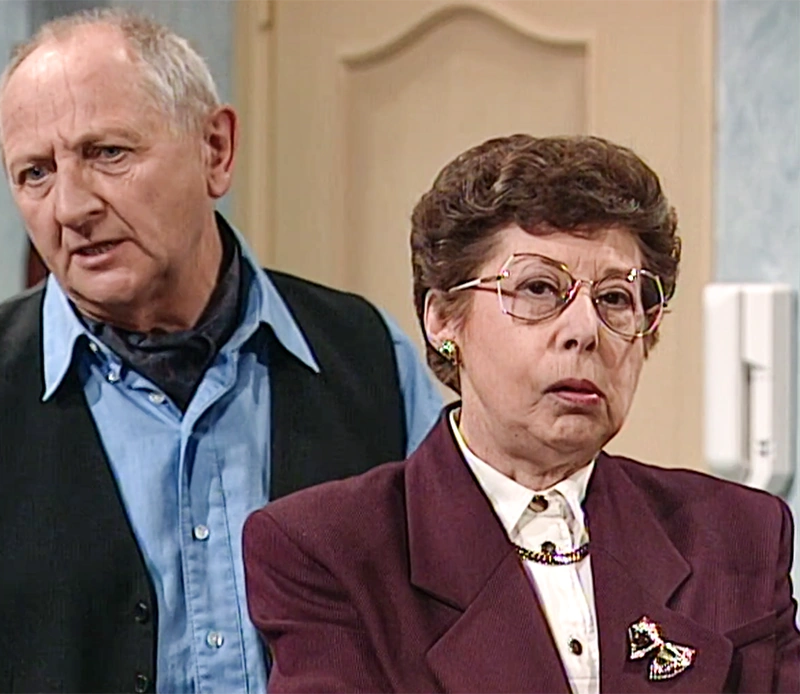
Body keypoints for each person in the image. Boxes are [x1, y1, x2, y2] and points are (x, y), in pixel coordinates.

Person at [0, 9, 443, 694]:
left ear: (215, 150)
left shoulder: (367, 357)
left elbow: (464, 618)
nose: (71, 207)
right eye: (35, 173)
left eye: (108, 154)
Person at [242, 134, 800, 693]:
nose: (585, 330)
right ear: (443, 320)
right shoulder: (328, 549)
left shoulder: (735, 535)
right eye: (539, 288)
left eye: (614, 298)